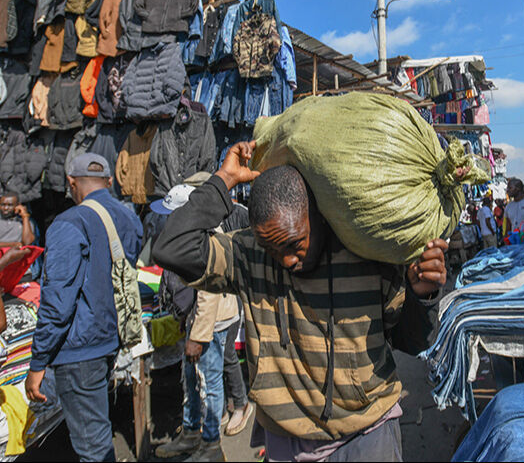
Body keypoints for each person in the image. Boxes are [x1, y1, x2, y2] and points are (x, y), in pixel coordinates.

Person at [153, 142, 448, 462]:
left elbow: (413, 342)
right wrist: (224, 180)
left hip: (368, 436)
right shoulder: (247, 255)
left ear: (319, 216)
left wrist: (422, 296)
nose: (287, 260)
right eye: (272, 249)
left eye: (295, 243)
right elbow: (172, 248)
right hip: (286, 443)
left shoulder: (364, 253)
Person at [25, 153, 142, 462]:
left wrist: (38, 363)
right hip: (109, 339)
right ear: (109, 181)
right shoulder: (128, 217)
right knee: (97, 433)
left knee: (92, 446)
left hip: (79, 350)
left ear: (71, 182)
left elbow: (57, 304)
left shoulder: (68, 223)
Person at [153, 184, 241, 461]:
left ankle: (211, 445)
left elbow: (208, 293)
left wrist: (198, 336)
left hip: (212, 323)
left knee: (209, 384)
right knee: (191, 380)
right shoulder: (193, 235)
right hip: (200, 320)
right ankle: (191, 433)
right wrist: (187, 320)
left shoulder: (204, 238)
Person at [182, 171, 253, 436]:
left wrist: (198, 334)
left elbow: (208, 287)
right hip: (221, 308)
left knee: (221, 363)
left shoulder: (219, 222)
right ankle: (226, 409)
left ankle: (236, 408)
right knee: (223, 360)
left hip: (225, 307)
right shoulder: (204, 222)